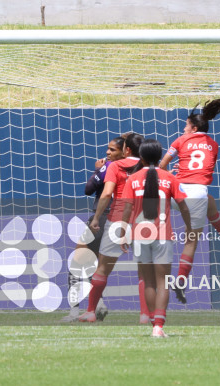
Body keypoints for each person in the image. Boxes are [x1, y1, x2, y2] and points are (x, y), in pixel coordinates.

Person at [158, 97, 220, 304]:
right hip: (196, 195)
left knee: (210, 201)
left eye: (186, 125)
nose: (184, 128)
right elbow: (203, 167)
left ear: (193, 128)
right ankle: (180, 281)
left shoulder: (181, 140)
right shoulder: (214, 145)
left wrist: (172, 176)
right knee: (191, 241)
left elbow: (162, 165)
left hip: (175, 193)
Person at [120, 139, 192, 338]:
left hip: (139, 236)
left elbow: (127, 209)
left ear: (141, 158)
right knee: (163, 283)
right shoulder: (169, 177)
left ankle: (154, 325)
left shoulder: (132, 179)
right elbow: (184, 206)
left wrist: (123, 232)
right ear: (160, 157)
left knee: (148, 282)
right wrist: (189, 227)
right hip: (162, 236)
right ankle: (158, 326)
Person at [80, 132, 144, 323]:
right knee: (145, 271)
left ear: (126, 150)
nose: (108, 152)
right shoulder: (149, 166)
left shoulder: (114, 166)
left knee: (101, 269)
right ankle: (146, 315)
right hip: (143, 222)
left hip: (117, 219)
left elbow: (106, 193)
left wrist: (96, 218)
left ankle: (91, 311)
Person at [61, 136, 126, 322]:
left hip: (104, 217)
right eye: (108, 148)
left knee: (78, 263)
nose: (107, 152)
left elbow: (88, 189)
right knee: (99, 266)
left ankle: (76, 312)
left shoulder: (110, 167)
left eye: (112, 149)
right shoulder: (137, 168)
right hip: (123, 221)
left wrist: (98, 170)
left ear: (125, 151)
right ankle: (99, 304)